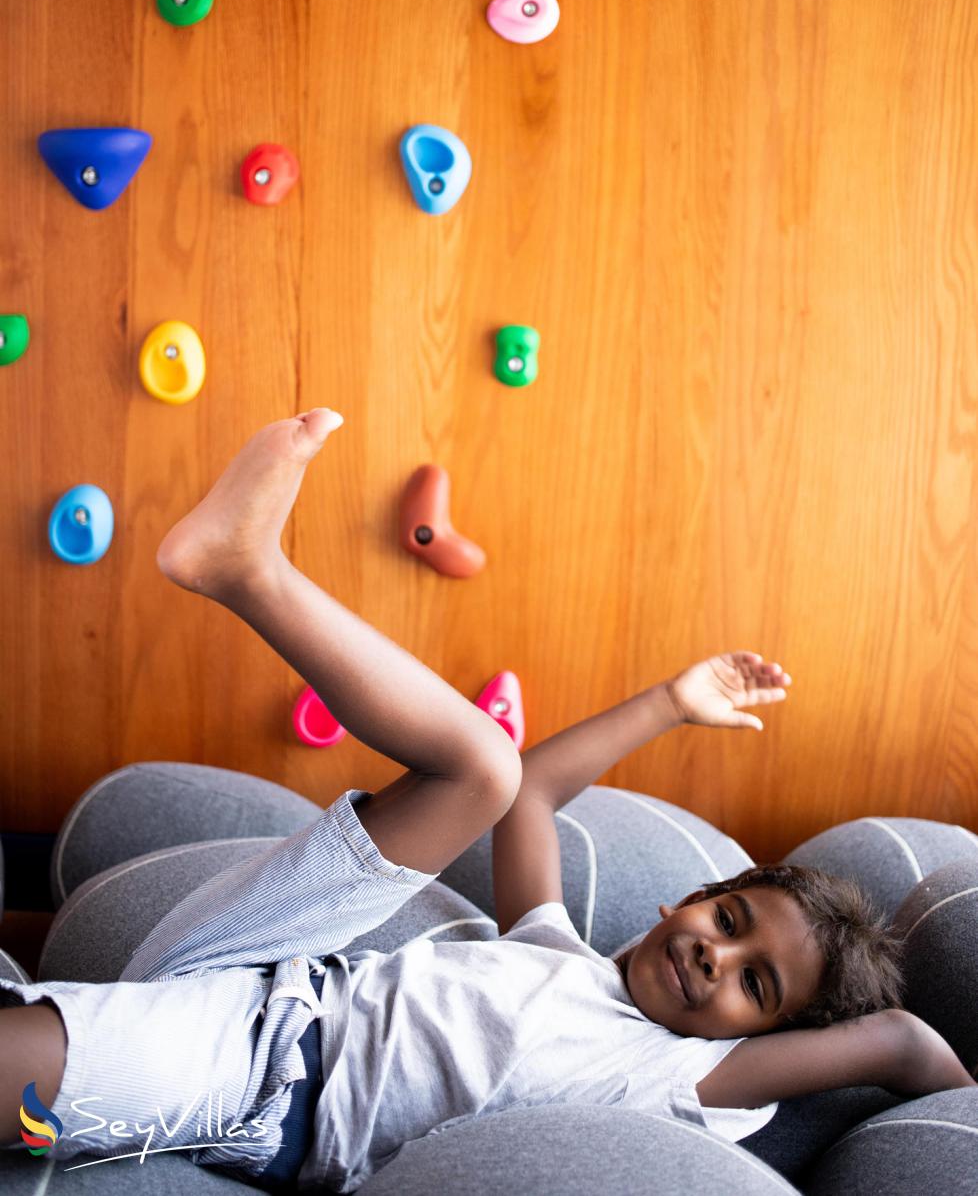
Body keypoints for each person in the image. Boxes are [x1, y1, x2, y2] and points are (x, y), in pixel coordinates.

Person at [1, 410, 974, 1192]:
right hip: (278, 962)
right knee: (488, 767)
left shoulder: (685, 1081)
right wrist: (669, 703)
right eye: (728, 919)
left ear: (763, 1045)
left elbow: (898, 1038)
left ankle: (247, 568)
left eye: (754, 986)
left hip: (263, 1087)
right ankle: (246, 568)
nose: (713, 956)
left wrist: (962, 1109)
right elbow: (535, 792)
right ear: (688, 898)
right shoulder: (553, 948)